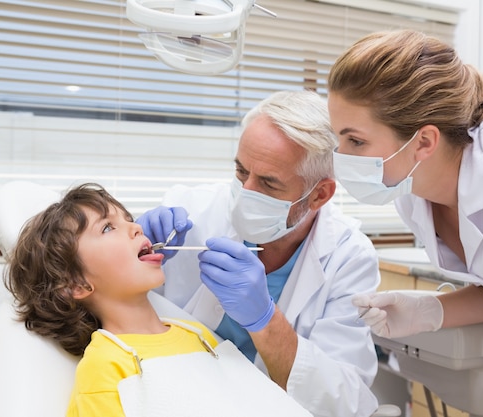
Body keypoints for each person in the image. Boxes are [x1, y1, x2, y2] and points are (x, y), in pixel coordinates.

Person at [327, 29, 483, 416]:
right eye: (337, 139)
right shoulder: (413, 199)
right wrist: (430, 311)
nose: (338, 156)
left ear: (424, 142)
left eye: (355, 141)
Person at [136, 90, 382, 416]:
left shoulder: (349, 258)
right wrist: (137, 252)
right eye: (241, 171)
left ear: (319, 194)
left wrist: (265, 321)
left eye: (268, 183)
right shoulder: (192, 209)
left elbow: (346, 402)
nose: (245, 193)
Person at [4, 183, 219, 417]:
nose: (136, 227)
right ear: (77, 284)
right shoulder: (105, 367)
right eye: (107, 228)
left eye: (129, 219)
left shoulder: (198, 335)